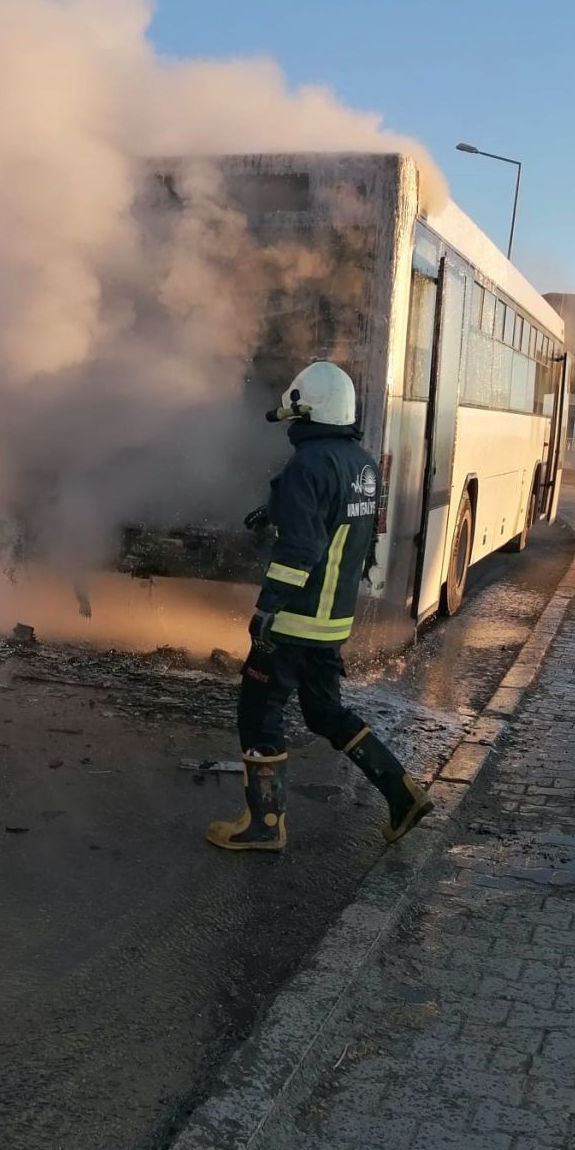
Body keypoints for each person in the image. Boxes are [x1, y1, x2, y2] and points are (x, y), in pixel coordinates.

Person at [207, 360, 432, 853]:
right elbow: (334, 516)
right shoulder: (363, 464)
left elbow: (301, 548)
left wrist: (266, 611)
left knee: (259, 714)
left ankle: (265, 824)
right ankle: (402, 793)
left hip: (293, 621)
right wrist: (274, 509)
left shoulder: (306, 465)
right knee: (324, 711)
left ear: (308, 411)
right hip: (332, 623)